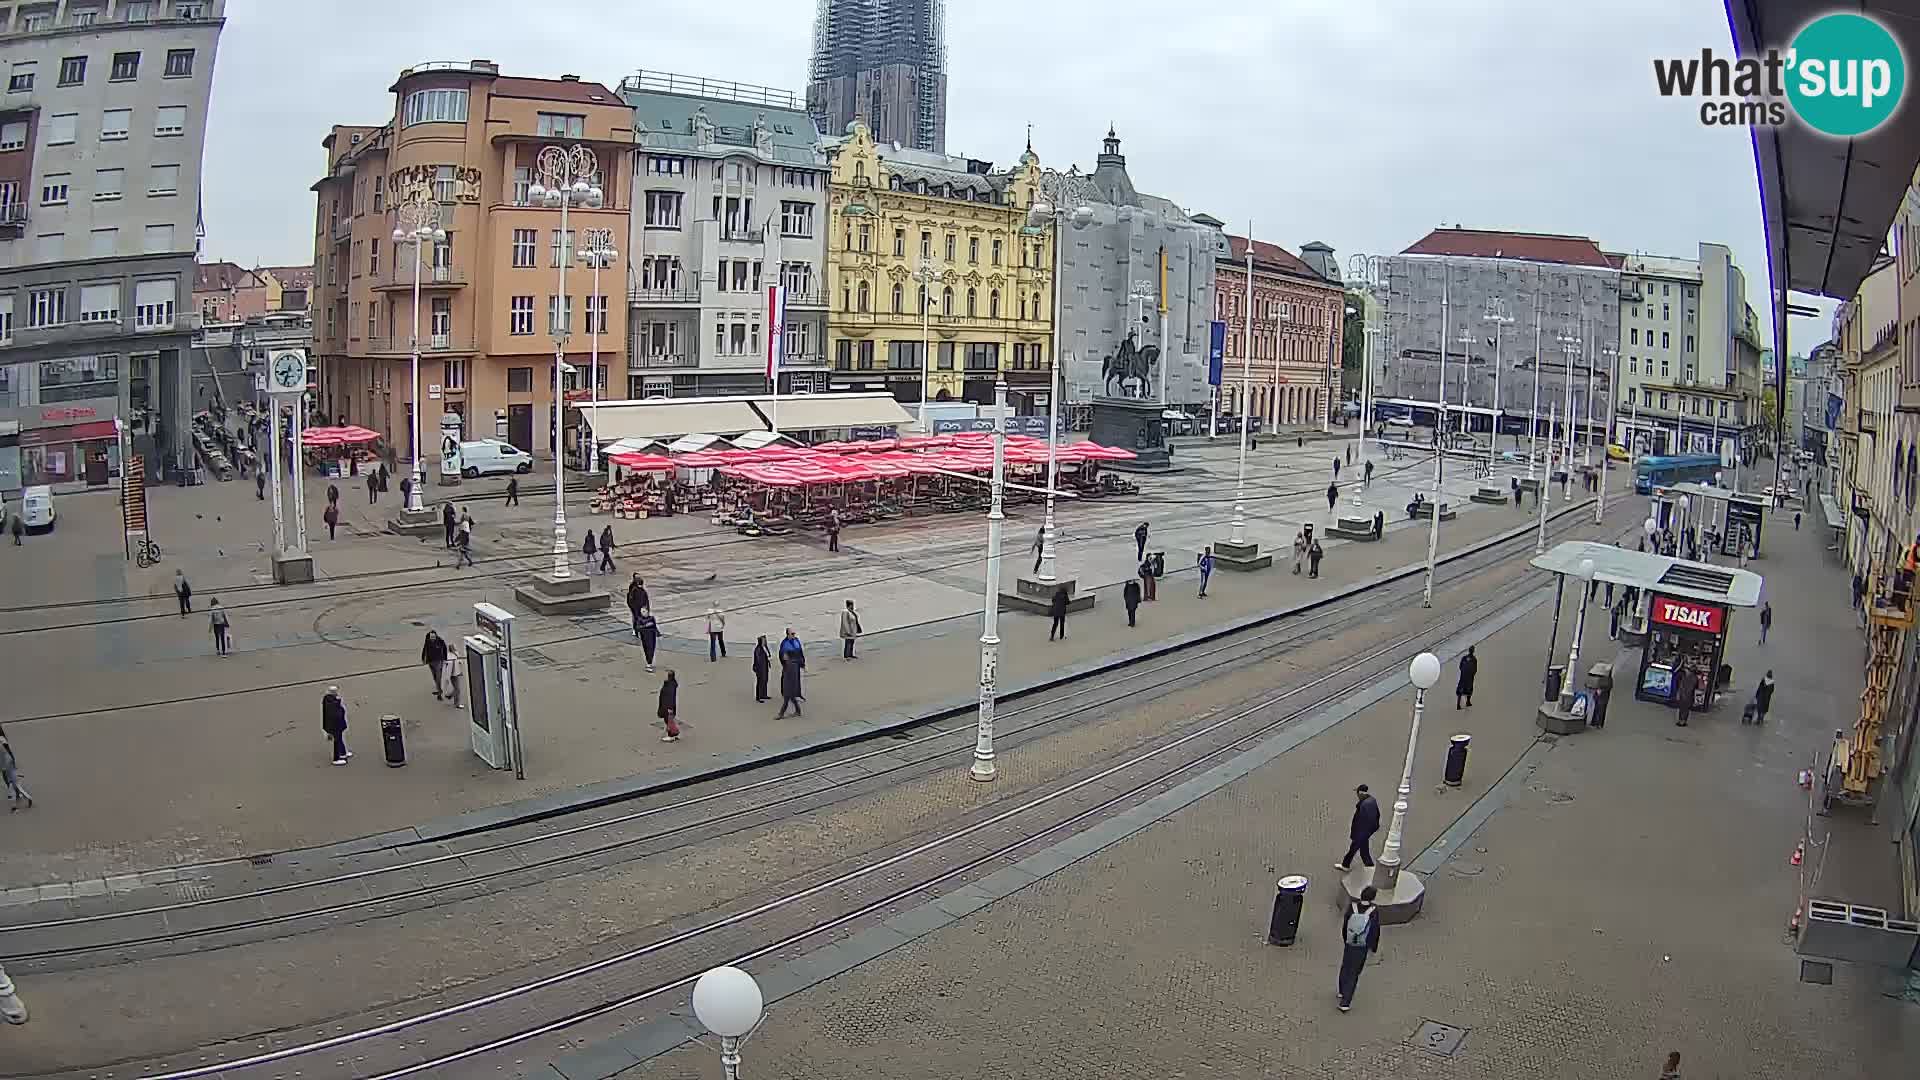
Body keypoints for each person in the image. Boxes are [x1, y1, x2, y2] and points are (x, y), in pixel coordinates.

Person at [1336, 885, 1382, 1012]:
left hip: (1350, 943)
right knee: (1354, 972)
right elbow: (1375, 930)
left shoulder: (1353, 906)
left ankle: (1341, 990)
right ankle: (1345, 1002)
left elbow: (1345, 924)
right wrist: (1373, 946)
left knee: (1345, 966)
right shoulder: (1373, 910)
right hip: (1362, 945)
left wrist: (1346, 939)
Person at [1337, 784, 1380, 871]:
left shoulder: (1365, 805)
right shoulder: (1372, 800)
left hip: (1361, 833)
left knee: (1354, 850)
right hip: (1364, 833)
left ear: (1360, 793)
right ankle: (1369, 868)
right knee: (1364, 852)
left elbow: (1364, 821)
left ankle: (1346, 865)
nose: (1357, 795)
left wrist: (1360, 833)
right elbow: (1377, 815)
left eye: (1357, 793)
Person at [777, 629, 806, 718]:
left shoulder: (796, 641)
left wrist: (802, 663)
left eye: (794, 634)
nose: (794, 635)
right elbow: (781, 655)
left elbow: (800, 653)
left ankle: (782, 714)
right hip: (790, 670)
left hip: (793, 669)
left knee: (789, 695)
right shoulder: (785, 644)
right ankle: (795, 711)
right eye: (792, 634)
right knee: (789, 695)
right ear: (788, 635)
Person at [1, 730, 31, 810]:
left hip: (5, 760)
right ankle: (19, 794)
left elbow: (6, 745)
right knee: (10, 778)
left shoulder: (2, 739)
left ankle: (19, 795)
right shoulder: (2, 739)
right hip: (5, 760)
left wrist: (11, 758)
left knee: (10, 779)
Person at [322, 686, 351, 765]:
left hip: (334, 725)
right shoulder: (332, 702)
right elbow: (336, 713)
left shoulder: (327, 699)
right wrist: (338, 702)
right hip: (335, 725)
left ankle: (343, 752)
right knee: (337, 740)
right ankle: (336, 759)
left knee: (339, 738)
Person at [422, 630, 449, 699]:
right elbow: (425, 649)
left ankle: (439, 693)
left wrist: (445, 658)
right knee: (434, 677)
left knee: (438, 677)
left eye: (433, 637)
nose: (432, 638)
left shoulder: (440, 641)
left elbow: (445, 648)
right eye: (431, 637)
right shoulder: (428, 641)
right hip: (430, 661)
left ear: (436, 636)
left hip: (439, 661)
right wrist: (423, 659)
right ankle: (438, 689)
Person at [658, 670, 680, 742]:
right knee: (669, 720)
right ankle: (674, 733)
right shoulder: (671, 684)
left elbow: (669, 697)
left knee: (668, 720)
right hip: (668, 705)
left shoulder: (670, 686)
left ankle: (671, 735)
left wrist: (670, 708)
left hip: (667, 706)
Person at [636, 607, 660, 672]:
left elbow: (654, 626)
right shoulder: (639, 619)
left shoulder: (651, 618)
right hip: (645, 636)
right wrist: (646, 625)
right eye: (642, 612)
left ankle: (650, 662)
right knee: (647, 649)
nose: (643, 613)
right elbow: (638, 628)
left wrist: (658, 633)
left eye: (644, 611)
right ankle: (649, 663)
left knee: (652, 649)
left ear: (647, 611)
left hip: (652, 635)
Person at [626, 575, 650, 639]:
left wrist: (647, 608)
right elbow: (630, 600)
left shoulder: (643, 591)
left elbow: (646, 600)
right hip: (635, 608)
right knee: (636, 619)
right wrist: (633, 608)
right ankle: (635, 630)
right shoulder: (634, 590)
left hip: (641, 607)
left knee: (641, 619)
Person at [751, 635, 773, 703]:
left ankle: (764, 695)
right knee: (760, 682)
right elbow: (759, 660)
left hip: (764, 667)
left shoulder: (763, 648)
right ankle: (758, 697)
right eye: (764, 640)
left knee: (765, 680)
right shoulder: (758, 649)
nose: (765, 641)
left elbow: (767, 656)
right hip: (760, 668)